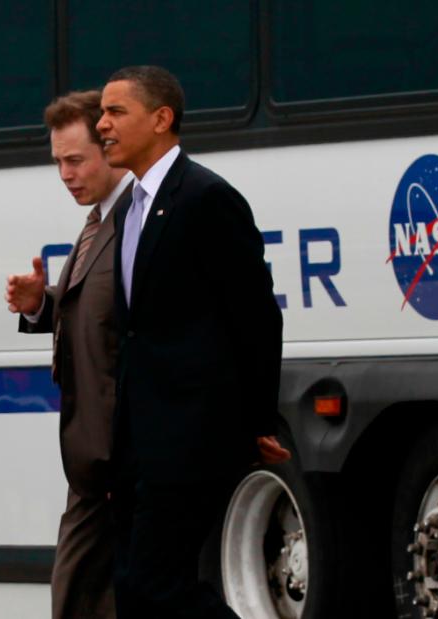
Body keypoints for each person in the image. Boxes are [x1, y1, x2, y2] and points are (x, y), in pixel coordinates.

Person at [96, 65, 291, 618]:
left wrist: (258, 419)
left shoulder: (206, 198)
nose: (102, 124)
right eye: (102, 113)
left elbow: (255, 316)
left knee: (159, 583)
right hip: (140, 441)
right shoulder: (129, 208)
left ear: (161, 119)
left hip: (191, 436)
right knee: (135, 588)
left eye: (116, 112)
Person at [5, 90, 133, 619]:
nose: (65, 174)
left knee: (84, 593)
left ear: (109, 149)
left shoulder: (137, 220)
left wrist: (121, 460)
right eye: (58, 162)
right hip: (93, 465)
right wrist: (42, 306)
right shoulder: (98, 221)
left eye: (75, 160)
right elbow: (97, 315)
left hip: (117, 459)